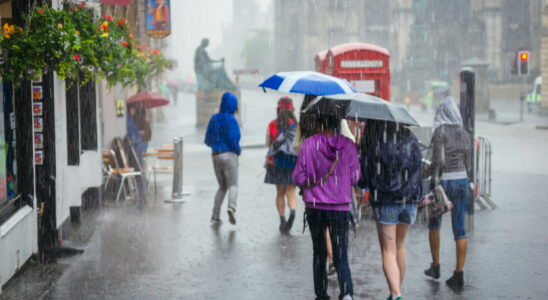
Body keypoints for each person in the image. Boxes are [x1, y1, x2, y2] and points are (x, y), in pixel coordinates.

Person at [293, 114, 360, 300]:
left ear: (319, 123)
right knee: (341, 254)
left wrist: (312, 181)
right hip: (340, 208)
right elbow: (355, 178)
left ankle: (321, 294)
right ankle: (346, 293)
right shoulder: (348, 145)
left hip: (315, 207)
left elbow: (298, 177)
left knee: (319, 252)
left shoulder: (309, 144)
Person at [359, 120, 423, 300]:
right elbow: (418, 167)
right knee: (400, 246)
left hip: (386, 200)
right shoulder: (410, 137)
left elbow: (365, 174)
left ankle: (396, 294)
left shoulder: (375, 139)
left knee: (388, 251)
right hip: (409, 200)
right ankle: (396, 292)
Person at [424, 96, 472, 289]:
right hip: (461, 181)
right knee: (460, 229)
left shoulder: (440, 132)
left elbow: (439, 162)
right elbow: (468, 163)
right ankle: (458, 274)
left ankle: (435, 266)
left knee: (434, 224)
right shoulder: (464, 133)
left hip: (443, 183)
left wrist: (432, 180)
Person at [204, 92, 241, 226]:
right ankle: (231, 206)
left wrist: (215, 145)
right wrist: (237, 151)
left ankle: (215, 216)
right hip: (229, 154)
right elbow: (233, 139)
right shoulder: (231, 120)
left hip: (215, 155)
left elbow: (207, 140)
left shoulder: (214, 118)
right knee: (233, 184)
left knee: (222, 187)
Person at [264, 97, 298, 233]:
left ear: (278, 109)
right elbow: (300, 146)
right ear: (292, 110)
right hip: (292, 162)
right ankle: (293, 212)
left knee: (280, 192)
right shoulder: (296, 125)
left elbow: (268, 143)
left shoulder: (272, 125)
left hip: (276, 162)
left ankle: (282, 219)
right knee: (291, 191)